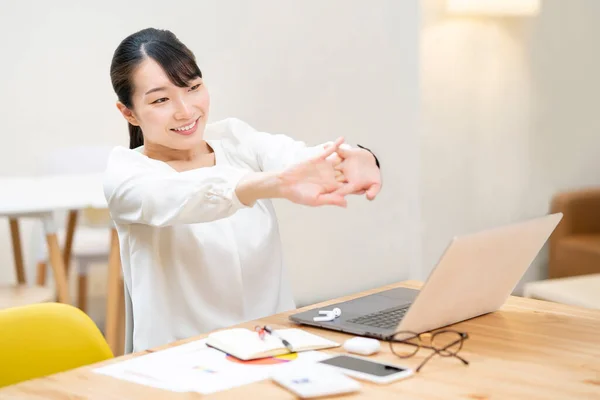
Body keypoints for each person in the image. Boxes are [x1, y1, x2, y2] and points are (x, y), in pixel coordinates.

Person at [104, 27, 382, 352]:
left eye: (193, 87)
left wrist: (357, 158)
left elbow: (297, 156)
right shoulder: (126, 175)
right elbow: (183, 195)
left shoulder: (237, 140)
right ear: (128, 112)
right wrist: (270, 184)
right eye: (161, 99)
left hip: (274, 352)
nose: (185, 110)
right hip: (182, 367)